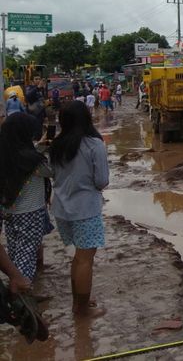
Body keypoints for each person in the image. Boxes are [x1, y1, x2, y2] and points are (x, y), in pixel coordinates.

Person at [49, 101, 108, 318]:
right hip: (85, 209)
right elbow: (102, 180)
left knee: (78, 257)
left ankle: (79, 302)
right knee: (85, 259)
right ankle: (82, 309)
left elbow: (53, 175)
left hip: (62, 208)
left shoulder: (56, 145)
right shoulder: (94, 145)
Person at [0, 113, 54, 283]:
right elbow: (51, 171)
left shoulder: (6, 153)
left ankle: (15, 289)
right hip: (30, 213)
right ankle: (21, 295)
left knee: (15, 251)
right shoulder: (32, 160)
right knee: (27, 256)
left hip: (9, 212)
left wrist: (38, 147)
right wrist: (50, 150)